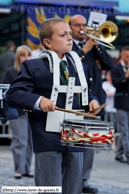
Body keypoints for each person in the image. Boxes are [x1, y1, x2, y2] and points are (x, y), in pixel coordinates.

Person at [6, 18, 100, 194]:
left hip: (76, 135)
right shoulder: (33, 66)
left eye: (70, 34)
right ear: (47, 42)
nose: (70, 38)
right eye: (63, 35)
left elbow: (85, 93)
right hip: (47, 137)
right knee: (50, 188)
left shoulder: (80, 66)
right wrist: (38, 100)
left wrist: (92, 101)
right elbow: (13, 94)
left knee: (73, 188)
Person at [69, 14, 115, 194]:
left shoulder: (93, 44)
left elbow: (109, 65)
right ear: (70, 27)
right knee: (75, 143)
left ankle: (83, 180)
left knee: (88, 144)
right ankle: (73, 181)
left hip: (94, 102)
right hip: (76, 102)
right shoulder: (68, 45)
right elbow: (71, 64)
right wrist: (86, 49)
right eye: (77, 25)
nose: (82, 29)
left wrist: (97, 45)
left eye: (84, 25)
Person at [2, 45, 33, 179]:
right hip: (16, 112)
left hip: (31, 111)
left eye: (28, 55)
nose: (26, 58)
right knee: (20, 140)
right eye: (23, 55)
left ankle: (26, 168)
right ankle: (19, 169)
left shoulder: (33, 71)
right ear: (18, 57)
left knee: (30, 142)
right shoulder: (11, 72)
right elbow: (5, 92)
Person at [111, 46, 129, 164]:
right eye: (127, 56)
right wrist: (125, 77)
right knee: (124, 130)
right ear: (122, 55)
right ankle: (128, 154)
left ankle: (119, 154)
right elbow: (115, 83)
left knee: (127, 130)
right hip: (121, 103)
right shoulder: (116, 68)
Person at [102, 71, 117, 151]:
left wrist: (109, 93)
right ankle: (105, 142)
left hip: (113, 110)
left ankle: (113, 143)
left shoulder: (115, 83)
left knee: (114, 127)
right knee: (105, 127)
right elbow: (105, 93)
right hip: (106, 109)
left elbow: (114, 93)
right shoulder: (104, 84)